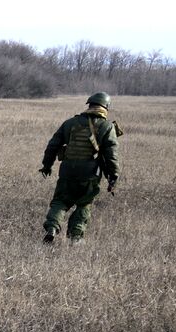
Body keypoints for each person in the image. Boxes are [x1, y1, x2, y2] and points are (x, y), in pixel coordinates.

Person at [40, 92, 121, 246]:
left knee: (61, 200)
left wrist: (47, 165)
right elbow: (111, 153)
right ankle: (76, 237)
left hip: (67, 169)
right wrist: (114, 174)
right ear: (106, 107)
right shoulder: (107, 126)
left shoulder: (70, 123)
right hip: (90, 172)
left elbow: (53, 145)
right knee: (84, 203)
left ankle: (51, 227)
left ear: (89, 105)